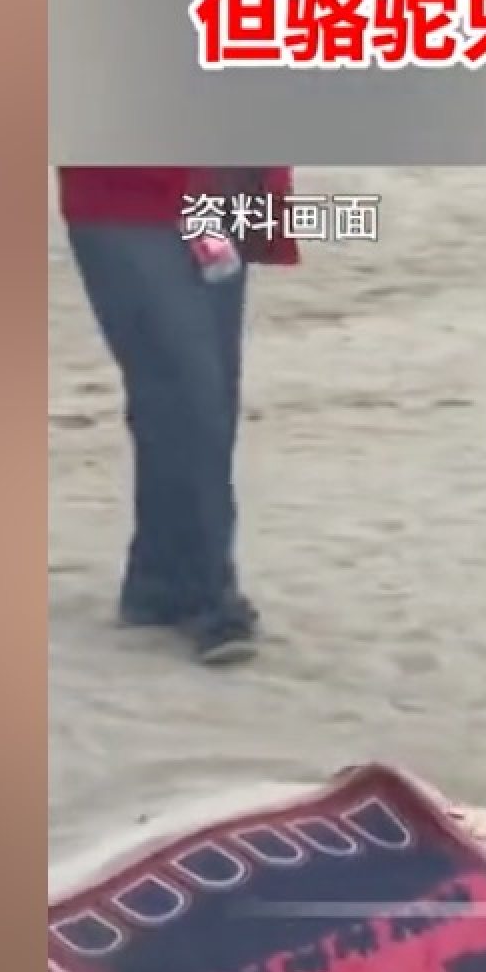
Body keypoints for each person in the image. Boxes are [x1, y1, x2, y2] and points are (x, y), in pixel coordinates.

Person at [56, 166, 300, 666]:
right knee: (189, 391)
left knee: (201, 395)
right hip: (130, 193)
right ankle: (208, 595)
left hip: (222, 191)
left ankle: (160, 582)